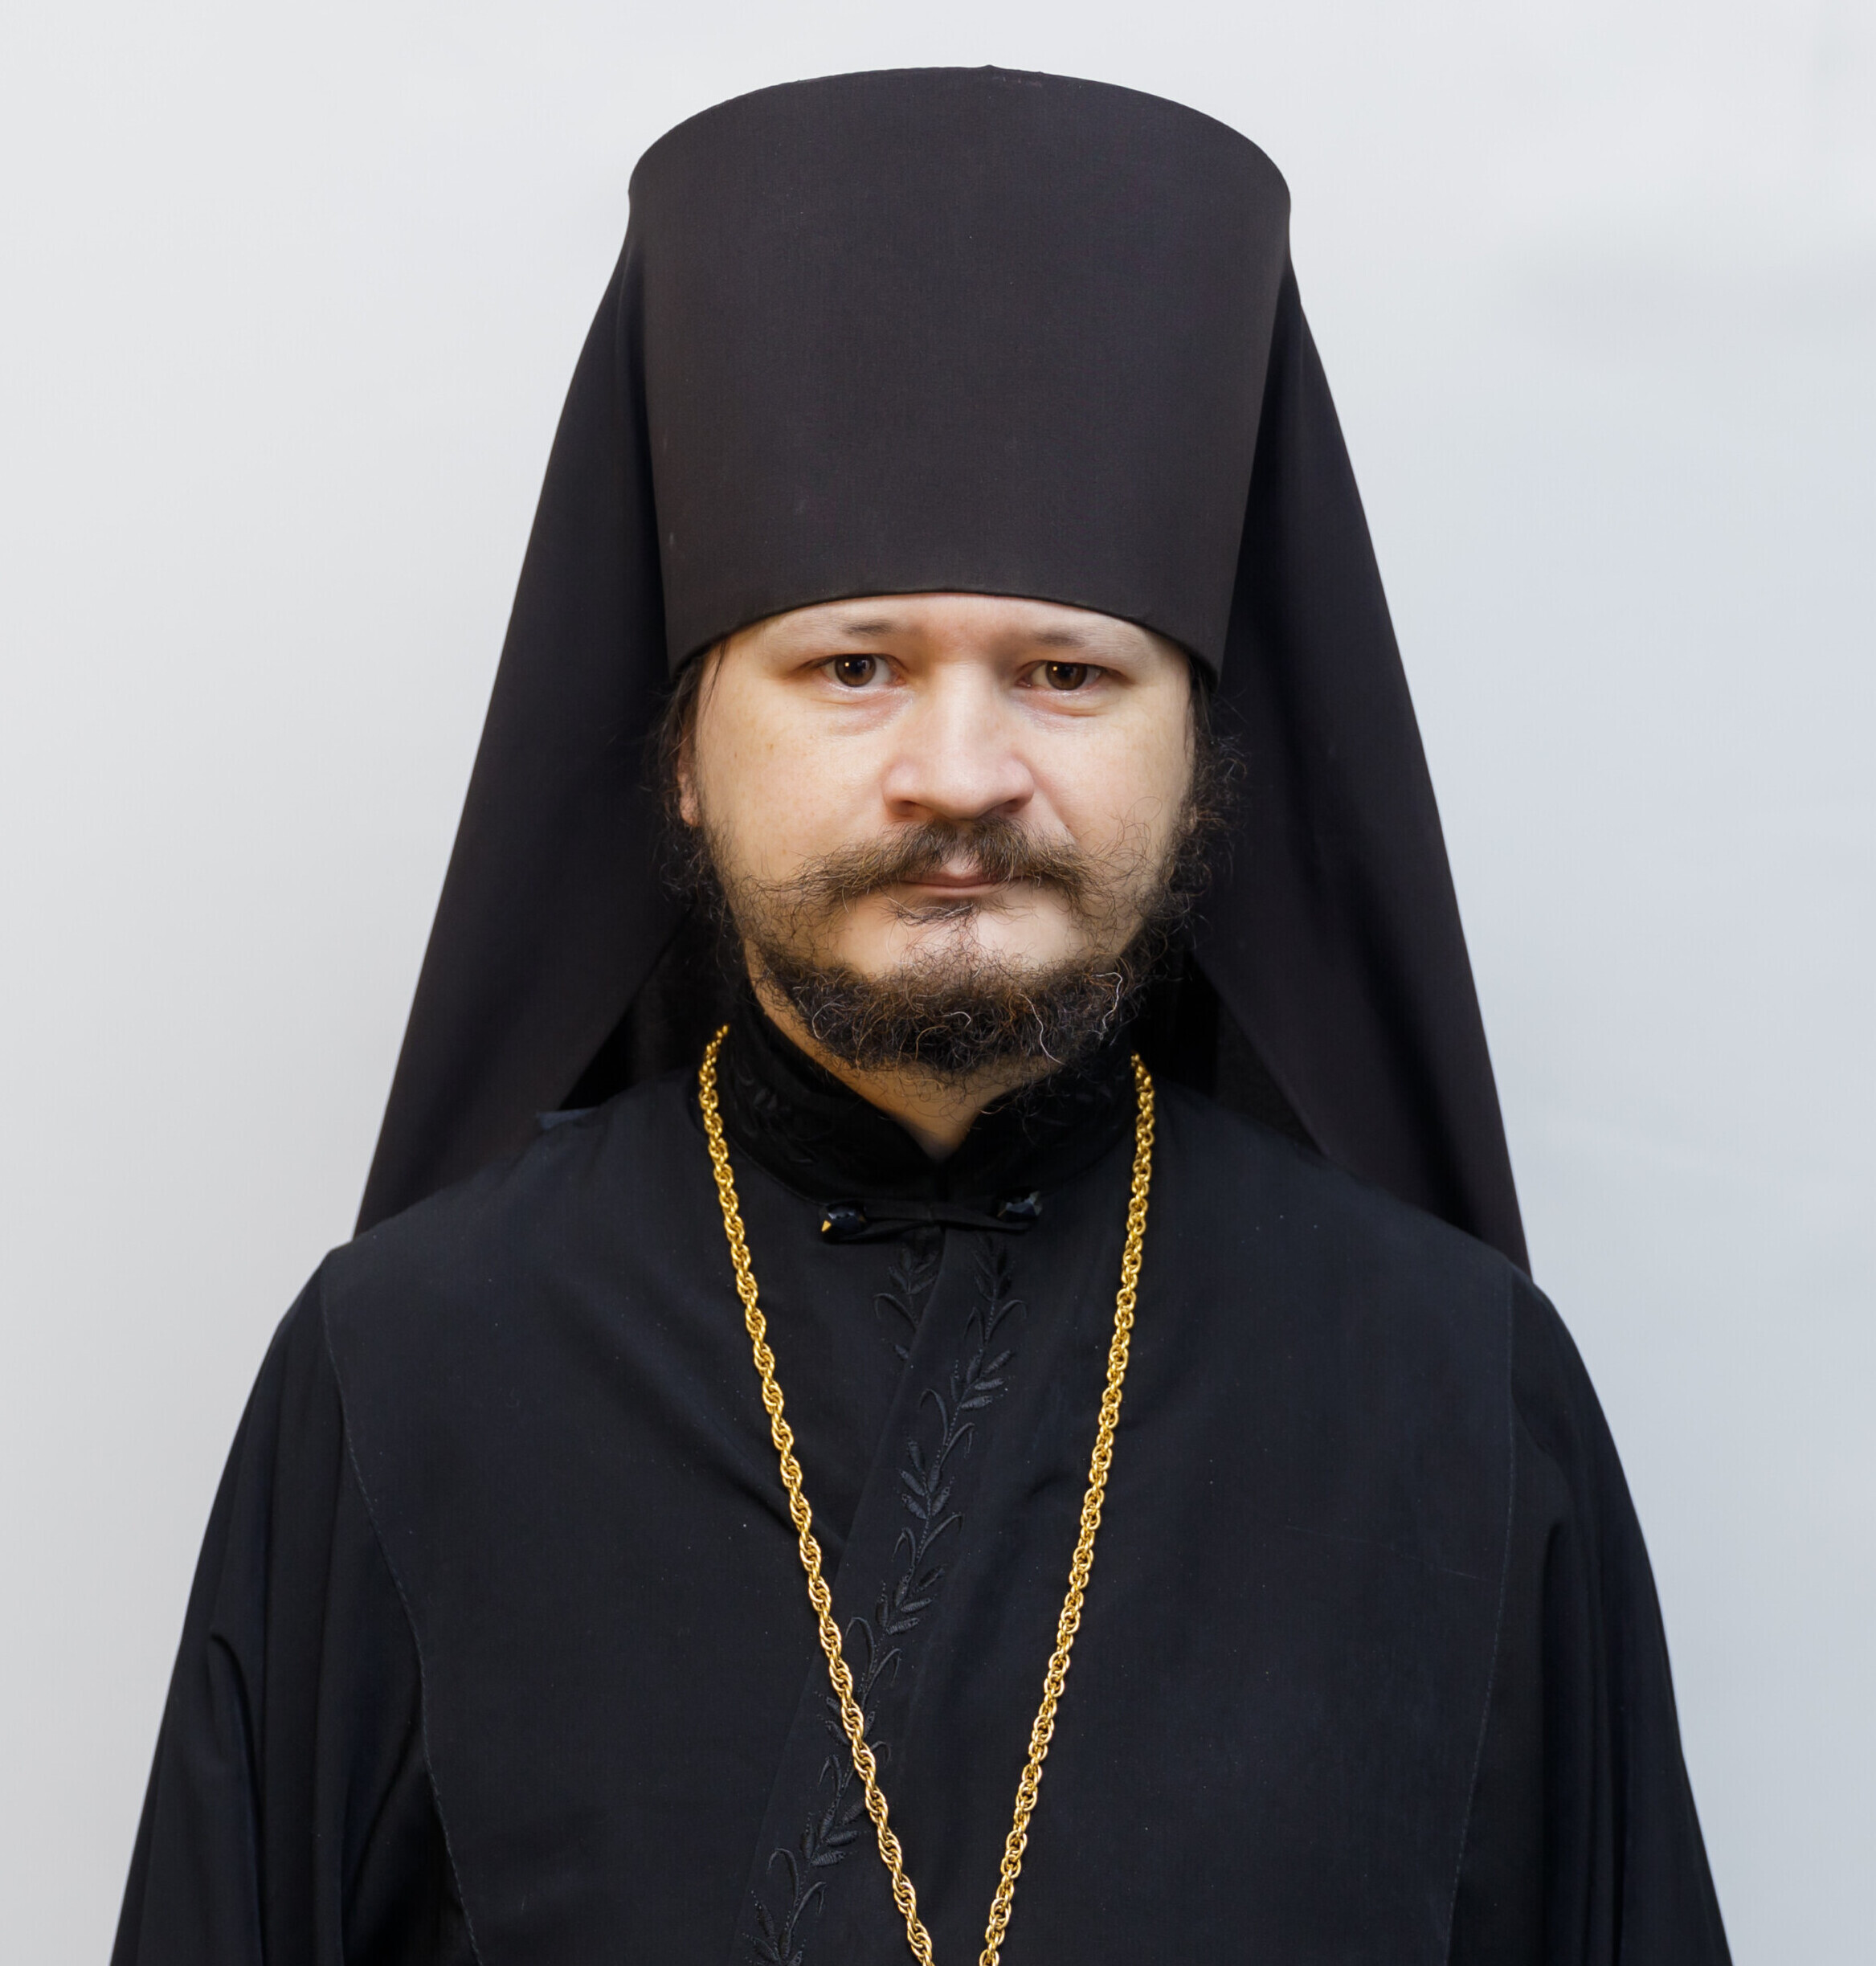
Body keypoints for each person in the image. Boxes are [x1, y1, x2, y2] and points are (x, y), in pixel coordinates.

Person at [113, 68, 1731, 1965]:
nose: (959, 773)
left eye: (1066, 672)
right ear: (685, 753)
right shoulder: (406, 1370)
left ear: (1200, 757)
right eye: (854, 665)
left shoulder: (1457, 1392)